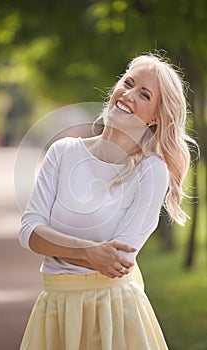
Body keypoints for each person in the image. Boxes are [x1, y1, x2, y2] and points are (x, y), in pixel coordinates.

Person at [19, 53, 194, 350]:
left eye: (144, 94)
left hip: (113, 314)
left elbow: (118, 261)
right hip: (54, 310)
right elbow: (30, 234)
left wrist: (60, 246)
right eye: (128, 83)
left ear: (155, 118)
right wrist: (91, 251)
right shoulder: (62, 152)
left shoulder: (150, 171)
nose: (128, 95)